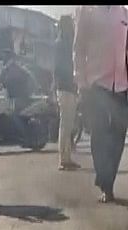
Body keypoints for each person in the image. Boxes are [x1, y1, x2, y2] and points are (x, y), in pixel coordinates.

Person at [74, 5, 128, 203]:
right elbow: (78, 49)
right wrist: (81, 82)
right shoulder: (87, 12)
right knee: (99, 136)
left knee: (118, 136)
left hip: (121, 85)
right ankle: (105, 180)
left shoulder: (125, 14)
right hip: (96, 85)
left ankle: (107, 180)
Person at [54, 15, 80, 171]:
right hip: (66, 88)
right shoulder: (64, 45)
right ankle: (64, 159)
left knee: (68, 125)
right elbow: (62, 68)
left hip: (67, 88)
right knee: (66, 125)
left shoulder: (63, 43)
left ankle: (66, 157)